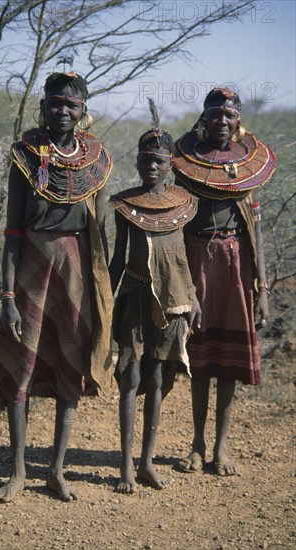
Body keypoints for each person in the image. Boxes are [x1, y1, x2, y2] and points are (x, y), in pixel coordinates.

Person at [0, 71, 113, 502]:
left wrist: (104, 292)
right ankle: (17, 472)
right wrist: (7, 298)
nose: (62, 111)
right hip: (32, 264)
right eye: (55, 103)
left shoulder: (96, 159)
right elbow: (12, 231)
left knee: (69, 366)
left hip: (76, 270)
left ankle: (55, 470)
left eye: (71, 105)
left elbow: (101, 232)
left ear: (82, 112)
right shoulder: (25, 155)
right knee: (22, 365)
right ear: (44, 107)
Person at [172, 87, 277, 476]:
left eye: (229, 116)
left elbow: (256, 233)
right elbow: (175, 225)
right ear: (204, 119)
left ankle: (222, 446)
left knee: (228, 363)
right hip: (196, 260)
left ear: (238, 122)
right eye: (215, 114)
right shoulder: (186, 165)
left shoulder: (246, 168)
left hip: (236, 265)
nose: (222, 121)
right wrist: (182, 285)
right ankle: (197, 445)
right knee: (200, 359)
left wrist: (262, 289)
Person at [109, 100, 200, 494]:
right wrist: (104, 301)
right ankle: (126, 465)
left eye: (159, 161)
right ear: (137, 164)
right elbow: (117, 259)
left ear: (170, 165)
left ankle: (147, 461)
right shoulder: (125, 204)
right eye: (146, 160)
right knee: (130, 377)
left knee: (159, 377)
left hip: (175, 300)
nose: (152, 167)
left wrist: (193, 297)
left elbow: (185, 258)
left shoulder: (185, 204)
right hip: (133, 297)